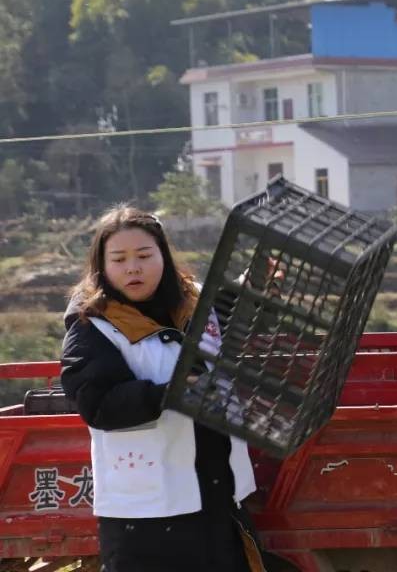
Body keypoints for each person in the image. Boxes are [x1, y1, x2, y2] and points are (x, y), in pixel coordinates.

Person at [60, 205, 264, 572]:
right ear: (102, 266)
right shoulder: (93, 327)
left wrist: (252, 287)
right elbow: (98, 403)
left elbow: (222, 325)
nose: (132, 268)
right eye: (119, 259)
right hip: (148, 514)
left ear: (163, 257)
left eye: (143, 255)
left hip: (218, 498)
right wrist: (166, 392)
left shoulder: (193, 301)